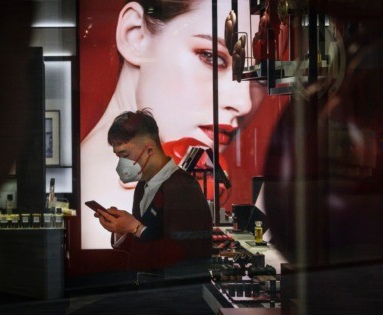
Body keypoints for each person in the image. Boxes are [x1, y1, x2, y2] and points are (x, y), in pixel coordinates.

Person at [81, 0, 267, 249]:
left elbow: (180, 249)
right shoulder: (149, 186)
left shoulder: (175, 184)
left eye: (256, 75)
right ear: (134, 35)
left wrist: (132, 228)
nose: (243, 104)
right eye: (211, 56)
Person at [93, 109, 213, 276]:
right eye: (118, 156)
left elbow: (185, 253)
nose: (121, 163)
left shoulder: (183, 187)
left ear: (149, 149)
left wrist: (135, 227)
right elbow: (142, 248)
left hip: (174, 294)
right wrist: (121, 229)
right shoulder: (143, 186)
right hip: (144, 288)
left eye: (125, 155)